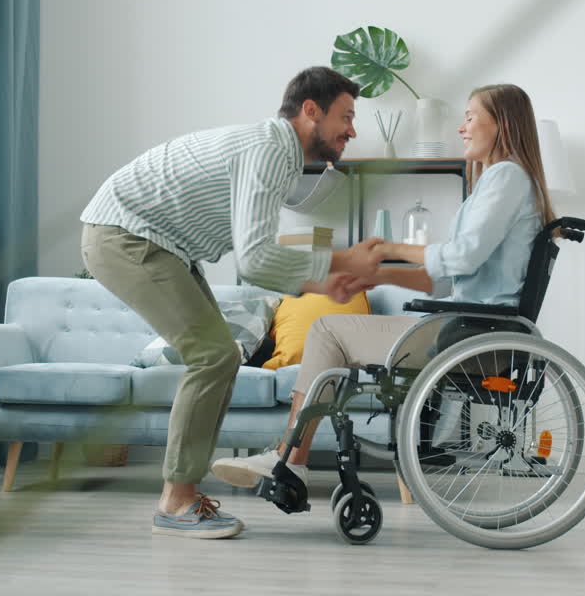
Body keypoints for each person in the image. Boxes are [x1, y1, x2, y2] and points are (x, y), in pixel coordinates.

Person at [80, 66, 385, 539]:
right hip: (127, 235)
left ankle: (181, 495)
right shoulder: (269, 148)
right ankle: (176, 502)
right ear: (310, 111)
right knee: (215, 355)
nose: (352, 129)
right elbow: (258, 258)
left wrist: (327, 274)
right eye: (345, 116)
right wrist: (335, 265)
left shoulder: (278, 154)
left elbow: (259, 251)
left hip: (160, 243)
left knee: (219, 358)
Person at [210, 83, 557, 490]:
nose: (461, 128)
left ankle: (288, 459)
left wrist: (392, 247)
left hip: (471, 336)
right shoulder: (502, 181)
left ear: (501, 125)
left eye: (469, 117)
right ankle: (291, 458)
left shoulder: (506, 176)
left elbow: (461, 256)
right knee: (331, 333)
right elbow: (444, 276)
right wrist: (377, 273)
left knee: (326, 330)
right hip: (471, 330)